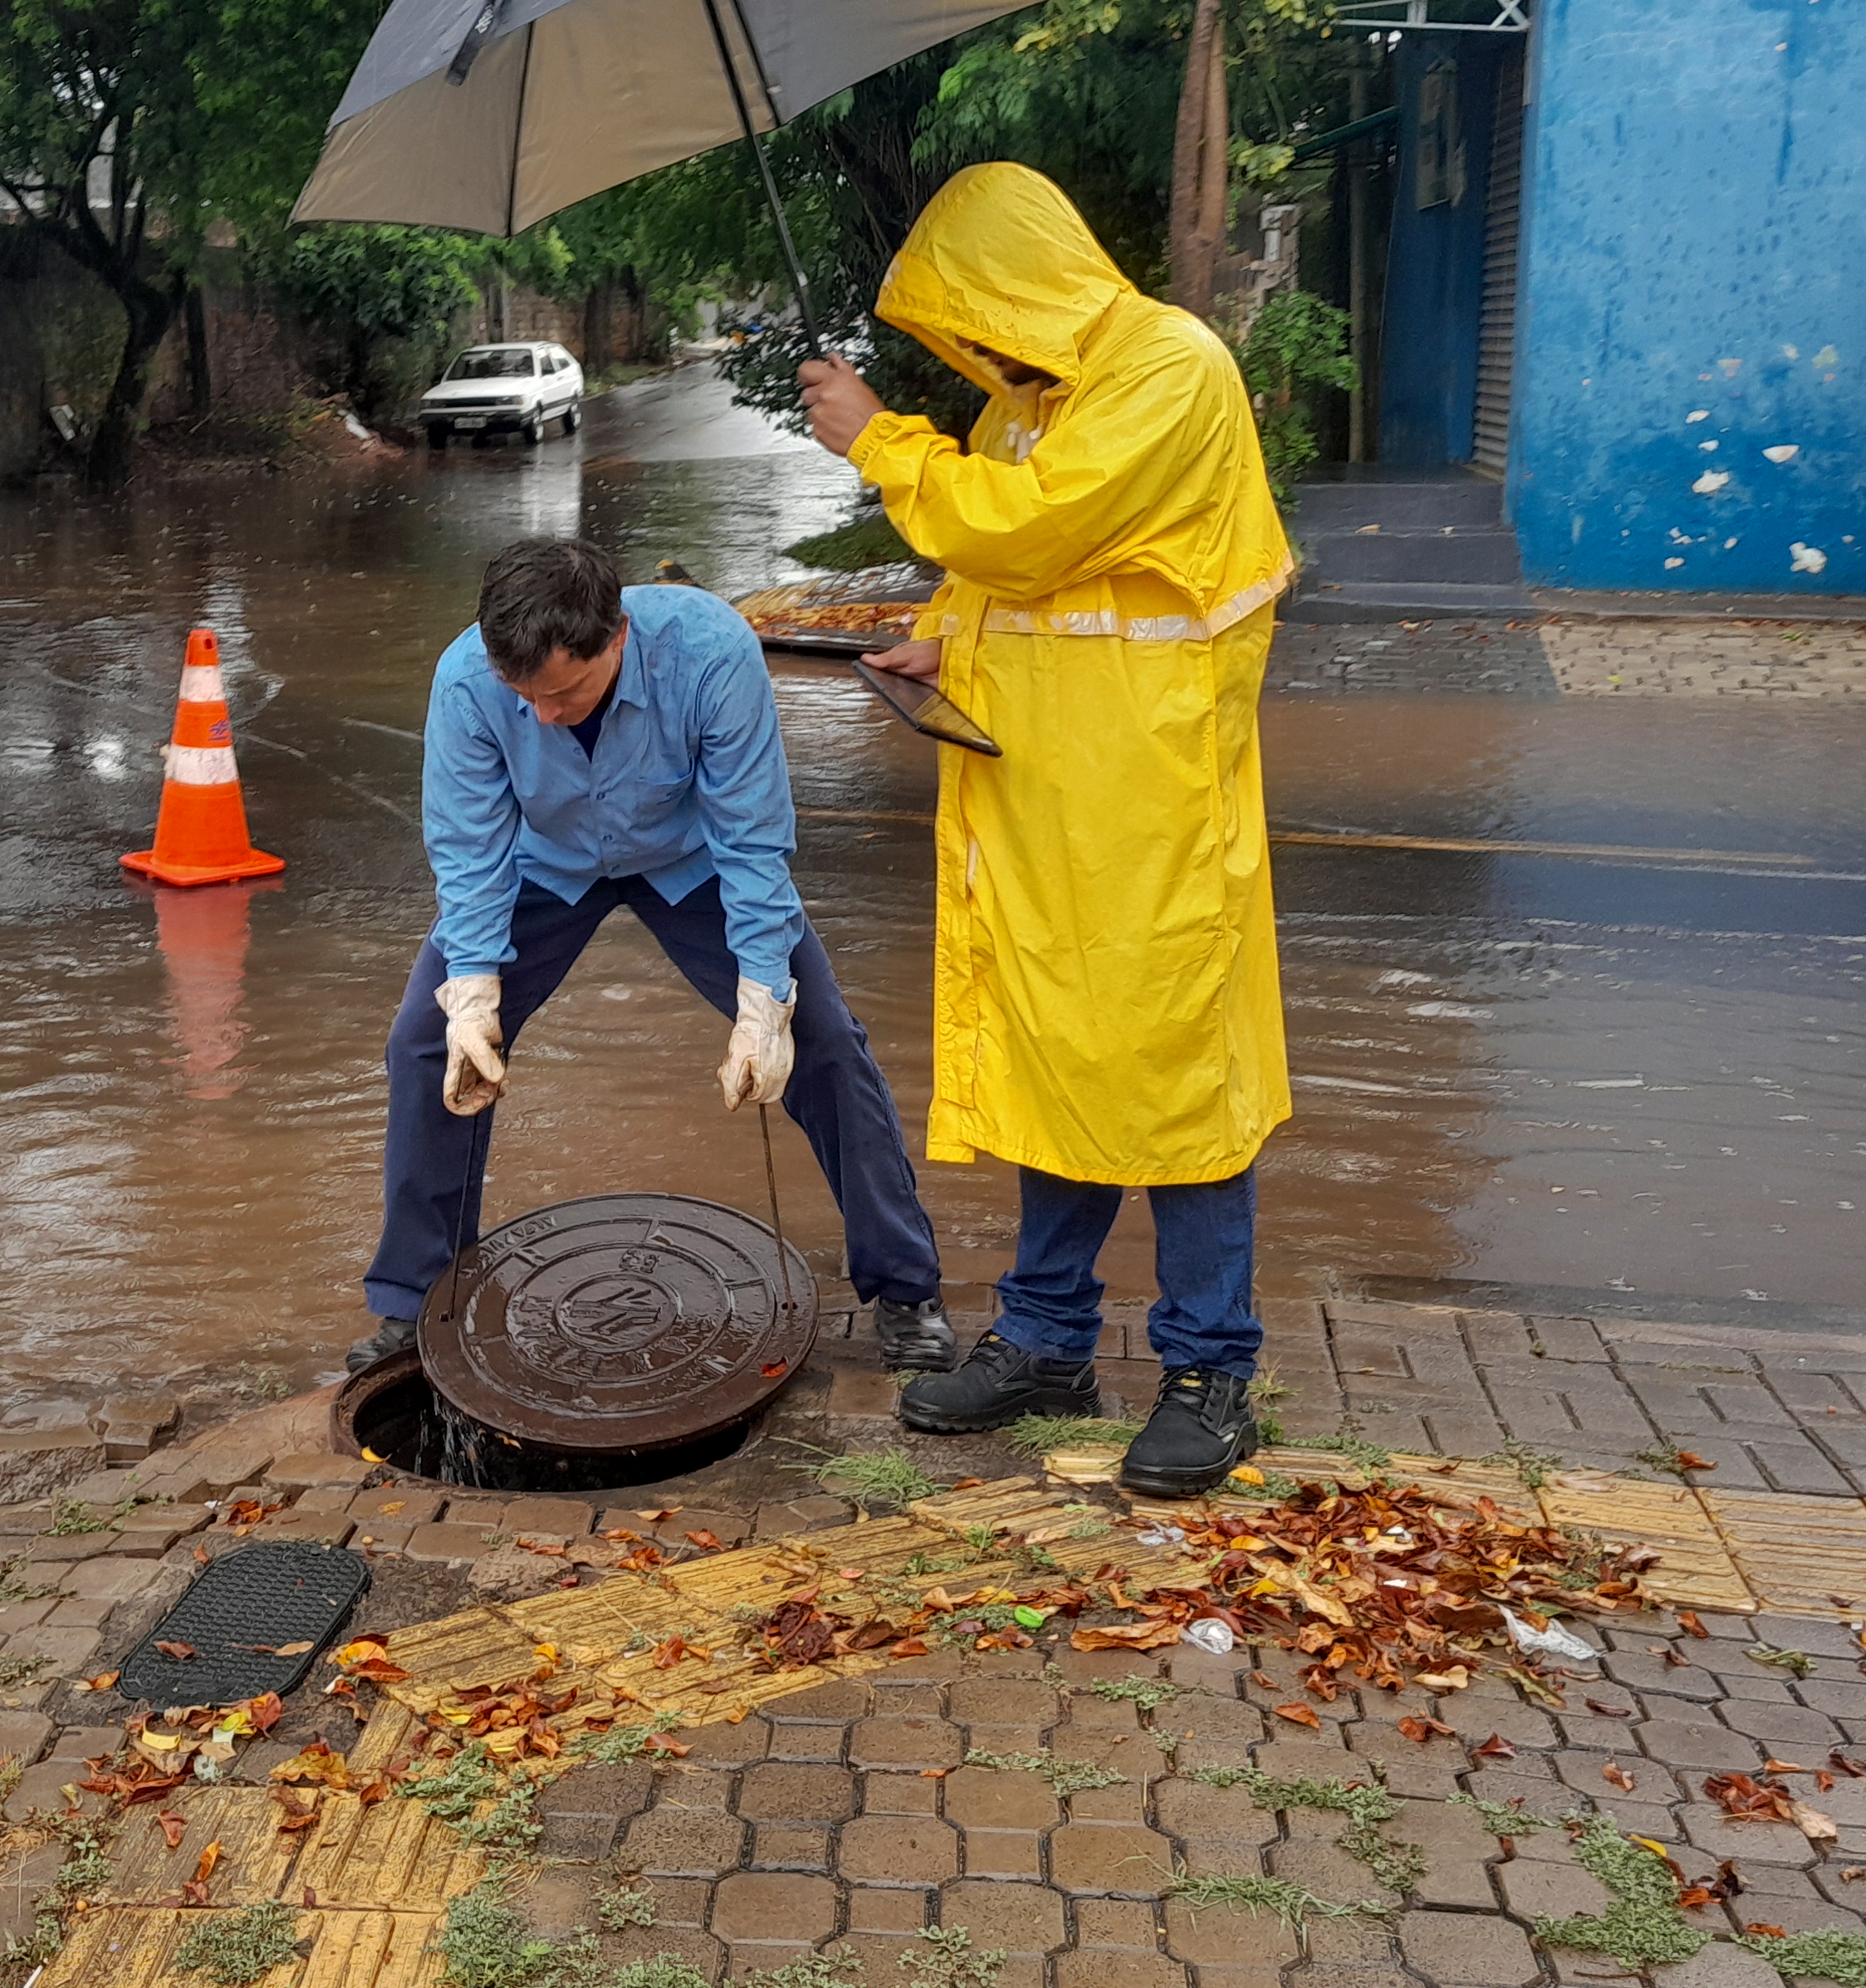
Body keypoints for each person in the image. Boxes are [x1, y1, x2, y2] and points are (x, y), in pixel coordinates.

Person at [796, 162, 1295, 1501]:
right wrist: (941, 640)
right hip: (1043, 803)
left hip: (1151, 812)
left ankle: (1211, 1371)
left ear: (1026, 288)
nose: (977, 351)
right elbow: (1010, 580)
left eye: (977, 320)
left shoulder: (1168, 371)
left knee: (1177, 1080)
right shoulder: (1028, 403)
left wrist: (880, 439)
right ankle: (1046, 1341)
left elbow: (1027, 528)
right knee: (1053, 1062)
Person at [347, 536, 958, 1376]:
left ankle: (905, 1288)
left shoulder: (712, 652)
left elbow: (752, 838)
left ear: (618, 637)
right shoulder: (466, 681)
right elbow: (469, 850)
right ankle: (417, 1298)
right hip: (544, 865)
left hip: (692, 859)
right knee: (425, 1047)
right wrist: (474, 993)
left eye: (565, 693)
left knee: (822, 1041)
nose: (545, 715)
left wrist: (763, 1002)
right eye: (525, 697)